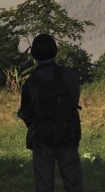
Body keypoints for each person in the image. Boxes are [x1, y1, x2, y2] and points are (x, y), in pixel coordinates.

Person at [18, 33, 84, 192]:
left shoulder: (31, 82)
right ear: (56, 51)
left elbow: (26, 113)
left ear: (33, 54)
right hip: (68, 134)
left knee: (43, 183)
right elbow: (74, 100)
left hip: (42, 138)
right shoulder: (70, 75)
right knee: (73, 182)